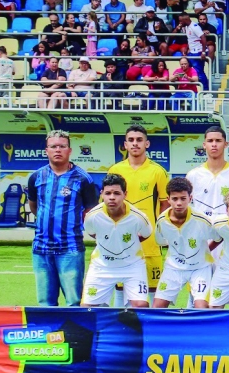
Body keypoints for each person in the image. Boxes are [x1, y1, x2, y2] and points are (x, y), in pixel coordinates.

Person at [28, 130, 99, 306]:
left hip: (70, 248)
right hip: (41, 248)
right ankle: (50, 334)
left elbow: (90, 212)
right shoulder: (36, 177)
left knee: (74, 301)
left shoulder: (83, 179)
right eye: (53, 146)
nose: (57, 150)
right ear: (46, 150)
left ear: (70, 150)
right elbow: (34, 206)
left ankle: (73, 334)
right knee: (45, 302)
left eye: (62, 146)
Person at [108, 125, 170, 305]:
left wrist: (161, 234)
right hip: (121, 241)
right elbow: (108, 205)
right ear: (125, 145)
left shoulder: (158, 171)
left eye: (139, 140)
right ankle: (121, 328)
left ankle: (153, 330)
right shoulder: (115, 170)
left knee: (152, 290)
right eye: (131, 140)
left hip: (150, 244)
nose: (135, 144)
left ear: (147, 144)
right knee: (121, 288)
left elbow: (165, 205)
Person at [81, 174, 153, 308]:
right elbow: (92, 233)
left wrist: (125, 246)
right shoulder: (92, 216)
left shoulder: (138, 217)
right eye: (108, 193)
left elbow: (146, 234)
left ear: (125, 194)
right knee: (87, 309)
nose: (112, 197)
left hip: (132, 265)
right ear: (102, 194)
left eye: (117, 193)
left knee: (141, 305)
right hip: (102, 265)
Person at [153, 177, 216, 309]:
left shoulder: (202, 220)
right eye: (175, 199)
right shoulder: (162, 221)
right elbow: (160, 241)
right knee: (157, 307)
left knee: (202, 308)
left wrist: (205, 251)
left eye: (183, 198)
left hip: (200, 268)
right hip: (174, 267)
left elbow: (218, 237)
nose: (179, 203)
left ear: (190, 198)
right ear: (168, 199)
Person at [185, 126, 229, 221]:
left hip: (226, 230)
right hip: (201, 230)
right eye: (210, 141)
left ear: (226, 144)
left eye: (218, 141)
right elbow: (186, 206)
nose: (214, 144)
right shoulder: (193, 175)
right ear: (204, 145)